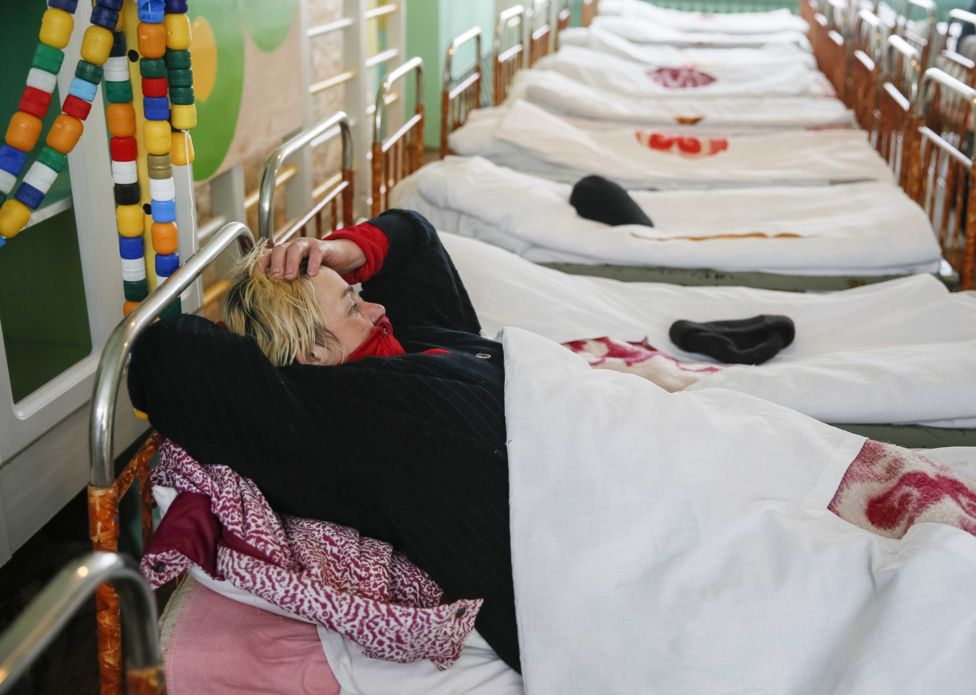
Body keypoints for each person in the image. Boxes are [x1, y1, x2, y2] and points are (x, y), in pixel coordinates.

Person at [127, 210, 520, 672]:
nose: (378, 310)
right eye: (352, 307)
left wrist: (338, 253)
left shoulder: (410, 336)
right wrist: (264, 336)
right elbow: (166, 353)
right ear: (312, 354)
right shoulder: (335, 420)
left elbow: (415, 237)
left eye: (358, 298)